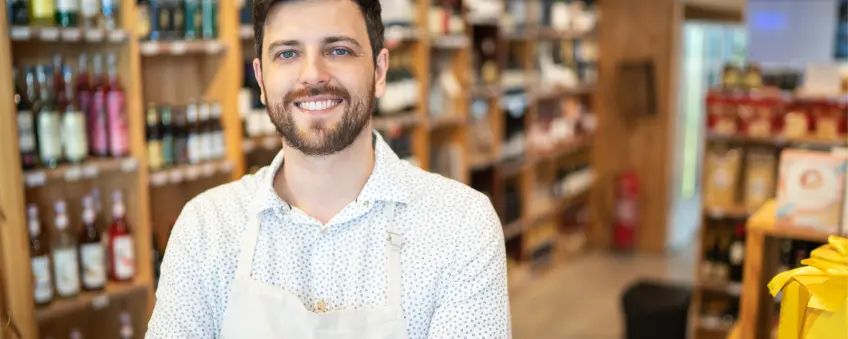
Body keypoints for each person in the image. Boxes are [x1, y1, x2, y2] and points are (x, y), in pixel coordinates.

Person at [145, 0, 511, 337]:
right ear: (260, 79)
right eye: (287, 53)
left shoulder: (460, 226)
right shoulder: (205, 230)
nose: (313, 75)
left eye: (338, 50)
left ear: (379, 71)